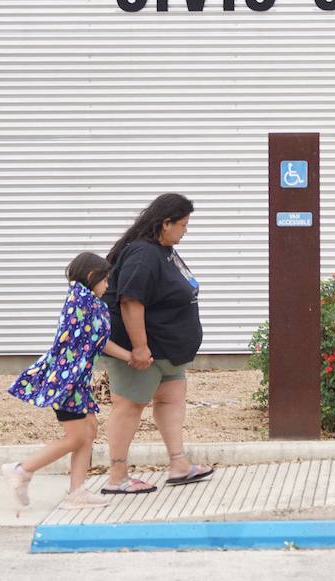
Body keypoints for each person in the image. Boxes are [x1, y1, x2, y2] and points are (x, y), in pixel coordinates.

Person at [99, 192, 214, 494]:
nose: (186, 230)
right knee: (129, 406)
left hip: (169, 351)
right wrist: (139, 347)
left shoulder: (165, 250)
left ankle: (178, 464)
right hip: (144, 350)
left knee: (171, 398)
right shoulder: (143, 253)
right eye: (183, 224)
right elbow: (130, 300)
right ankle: (117, 476)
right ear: (166, 224)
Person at [0, 252, 131, 509]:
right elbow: (96, 341)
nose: (107, 287)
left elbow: (96, 341)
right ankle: (22, 470)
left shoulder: (84, 300)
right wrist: (131, 355)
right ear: (92, 277)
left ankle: (76, 492)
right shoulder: (83, 302)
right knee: (76, 437)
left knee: (89, 430)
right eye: (105, 281)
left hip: (75, 380)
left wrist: (128, 356)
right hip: (67, 381)